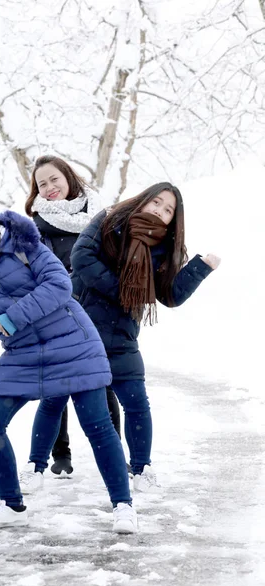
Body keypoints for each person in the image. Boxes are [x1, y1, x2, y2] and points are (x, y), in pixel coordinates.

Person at [0, 187, 137, 533]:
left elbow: (60, 284)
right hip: (24, 354)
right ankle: (11, 505)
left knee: (97, 425)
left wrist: (13, 317)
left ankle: (123, 506)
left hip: (74, 342)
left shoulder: (21, 244)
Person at [68, 182, 221, 492]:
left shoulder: (163, 248)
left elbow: (169, 295)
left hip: (123, 335)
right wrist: (124, 292)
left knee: (137, 404)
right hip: (81, 330)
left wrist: (200, 268)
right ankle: (40, 465)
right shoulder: (110, 219)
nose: (160, 211)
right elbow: (81, 258)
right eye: (157, 202)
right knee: (74, 407)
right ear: (144, 199)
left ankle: (142, 468)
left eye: (168, 210)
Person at [24, 155, 120, 479]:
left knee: (103, 382)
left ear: (69, 177)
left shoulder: (102, 216)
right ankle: (59, 454)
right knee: (57, 387)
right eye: (42, 184)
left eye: (54, 179)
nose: (50, 188)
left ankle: (115, 449)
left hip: (100, 310)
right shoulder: (35, 227)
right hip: (58, 314)